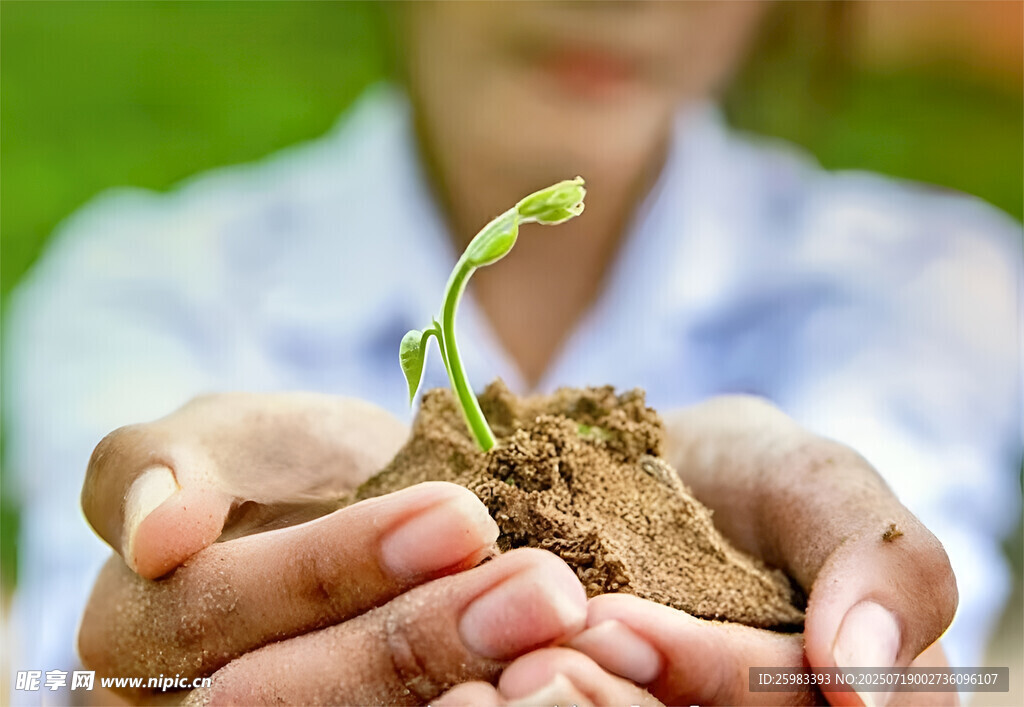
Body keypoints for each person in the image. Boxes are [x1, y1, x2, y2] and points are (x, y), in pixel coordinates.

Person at [6, 2, 1020, 705]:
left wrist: (844, 622)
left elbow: (908, 546)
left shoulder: (932, 281)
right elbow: (76, 625)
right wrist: (122, 666)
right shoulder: (147, 276)